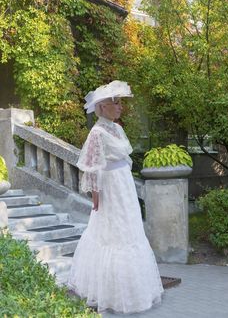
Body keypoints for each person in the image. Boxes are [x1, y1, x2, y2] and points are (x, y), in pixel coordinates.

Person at [68, 80, 164, 314]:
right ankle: (107, 293)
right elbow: (90, 166)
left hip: (124, 187)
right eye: (116, 102)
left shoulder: (118, 128)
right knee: (111, 234)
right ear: (102, 107)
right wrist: (96, 195)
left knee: (130, 231)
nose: (120, 107)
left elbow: (125, 159)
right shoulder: (96, 132)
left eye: (121, 102)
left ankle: (132, 290)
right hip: (110, 189)